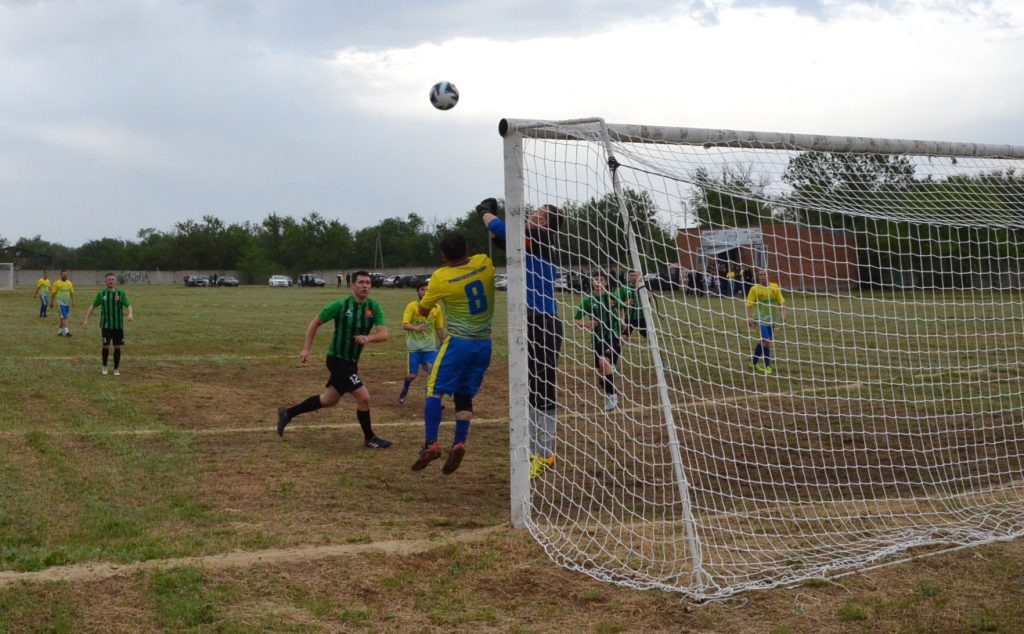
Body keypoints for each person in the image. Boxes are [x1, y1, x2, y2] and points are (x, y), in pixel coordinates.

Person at [476, 197, 564, 480]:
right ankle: (535, 450)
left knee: (541, 387)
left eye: (536, 215)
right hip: (529, 320)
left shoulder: (542, 237)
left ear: (545, 224)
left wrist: (485, 212)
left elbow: (499, 228)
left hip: (542, 321)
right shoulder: (529, 239)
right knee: (528, 387)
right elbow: (498, 235)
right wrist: (493, 223)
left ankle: (545, 452)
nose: (530, 216)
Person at [275, 270, 392, 448]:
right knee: (364, 399)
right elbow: (315, 322)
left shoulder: (373, 307)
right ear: (353, 286)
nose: (364, 286)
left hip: (351, 362)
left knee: (329, 400)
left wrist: (369, 338)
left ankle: (288, 412)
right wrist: (306, 349)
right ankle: (369, 438)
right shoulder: (341, 305)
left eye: (367, 283)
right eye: (360, 282)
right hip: (337, 360)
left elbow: (384, 335)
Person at [411, 232, 495, 475]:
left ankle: (431, 443)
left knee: (433, 390)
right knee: (464, 394)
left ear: (444, 255)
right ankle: (459, 442)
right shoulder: (484, 262)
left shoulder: (440, 277)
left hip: (458, 343)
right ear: (467, 248)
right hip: (484, 344)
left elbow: (424, 311)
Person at [574, 273, 623, 411]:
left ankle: (612, 396)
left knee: (603, 361)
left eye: (601, 280)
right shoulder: (588, 300)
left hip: (613, 337)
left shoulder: (612, 297)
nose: (598, 282)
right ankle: (608, 387)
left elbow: (622, 307)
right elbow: (576, 320)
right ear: (592, 283)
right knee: (600, 374)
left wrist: (622, 322)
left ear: (605, 282)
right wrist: (586, 323)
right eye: (595, 280)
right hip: (597, 340)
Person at [399, 281, 446, 404]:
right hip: (414, 348)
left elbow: (439, 328)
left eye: (427, 290)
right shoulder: (412, 306)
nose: (425, 292)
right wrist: (416, 328)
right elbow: (405, 325)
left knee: (434, 371)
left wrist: (445, 343)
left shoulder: (437, 308)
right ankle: (405, 388)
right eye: (422, 289)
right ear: (417, 292)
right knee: (412, 376)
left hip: (430, 348)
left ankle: (433, 399)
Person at [82, 272, 135, 376]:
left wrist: (130, 314)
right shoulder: (101, 295)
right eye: (109, 279)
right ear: (105, 281)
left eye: (112, 279)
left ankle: (116, 368)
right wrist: (86, 320)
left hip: (118, 326)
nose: (111, 281)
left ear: (115, 281)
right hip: (106, 325)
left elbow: (128, 305)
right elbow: (92, 306)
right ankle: (104, 366)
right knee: (106, 346)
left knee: (117, 346)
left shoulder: (120, 294)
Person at [746, 269, 787, 375]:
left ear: (768, 275)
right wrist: (749, 318)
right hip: (759, 319)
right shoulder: (754, 289)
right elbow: (749, 304)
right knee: (767, 341)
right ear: (758, 277)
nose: (762, 276)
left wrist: (783, 313)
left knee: (764, 341)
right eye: (760, 275)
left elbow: (781, 302)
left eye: (764, 274)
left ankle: (753, 363)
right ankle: (768, 366)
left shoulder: (774, 287)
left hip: (771, 320)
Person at [617, 270, 649, 340]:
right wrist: (626, 303)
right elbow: (618, 303)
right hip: (628, 318)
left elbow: (649, 301)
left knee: (650, 336)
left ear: (638, 277)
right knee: (623, 337)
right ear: (629, 277)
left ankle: (656, 351)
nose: (633, 277)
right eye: (631, 275)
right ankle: (616, 350)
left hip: (641, 317)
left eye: (635, 275)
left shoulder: (643, 288)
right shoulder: (623, 288)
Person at [50, 270, 75, 336]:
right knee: (64, 316)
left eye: (66, 274)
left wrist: (73, 302)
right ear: (61, 275)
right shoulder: (57, 283)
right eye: (63, 274)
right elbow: (53, 293)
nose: (65, 276)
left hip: (67, 303)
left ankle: (59, 331)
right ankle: (66, 332)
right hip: (60, 303)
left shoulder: (69, 283)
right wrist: (51, 302)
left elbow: (72, 293)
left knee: (62, 317)